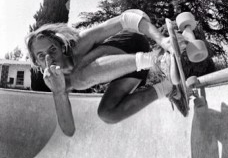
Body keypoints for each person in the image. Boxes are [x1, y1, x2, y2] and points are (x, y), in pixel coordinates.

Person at [25, 9, 188, 137]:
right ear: (38, 64)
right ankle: (167, 87)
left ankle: (159, 61)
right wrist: (58, 92)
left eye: (52, 49)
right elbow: (68, 130)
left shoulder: (77, 44)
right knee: (108, 113)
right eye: (41, 56)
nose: (49, 57)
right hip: (129, 70)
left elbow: (126, 19)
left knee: (77, 79)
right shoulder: (59, 82)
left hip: (130, 43)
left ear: (62, 47)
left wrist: (162, 40)